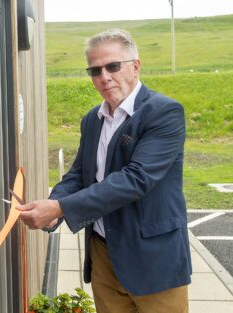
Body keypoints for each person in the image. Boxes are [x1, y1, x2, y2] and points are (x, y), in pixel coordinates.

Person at [18, 29, 191, 313]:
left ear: (135, 66)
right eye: (95, 70)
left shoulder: (164, 112)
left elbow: (136, 179)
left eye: (113, 66)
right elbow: (79, 174)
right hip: (103, 253)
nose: (104, 76)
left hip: (152, 256)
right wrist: (53, 206)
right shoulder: (92, 119)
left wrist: (60, 207)